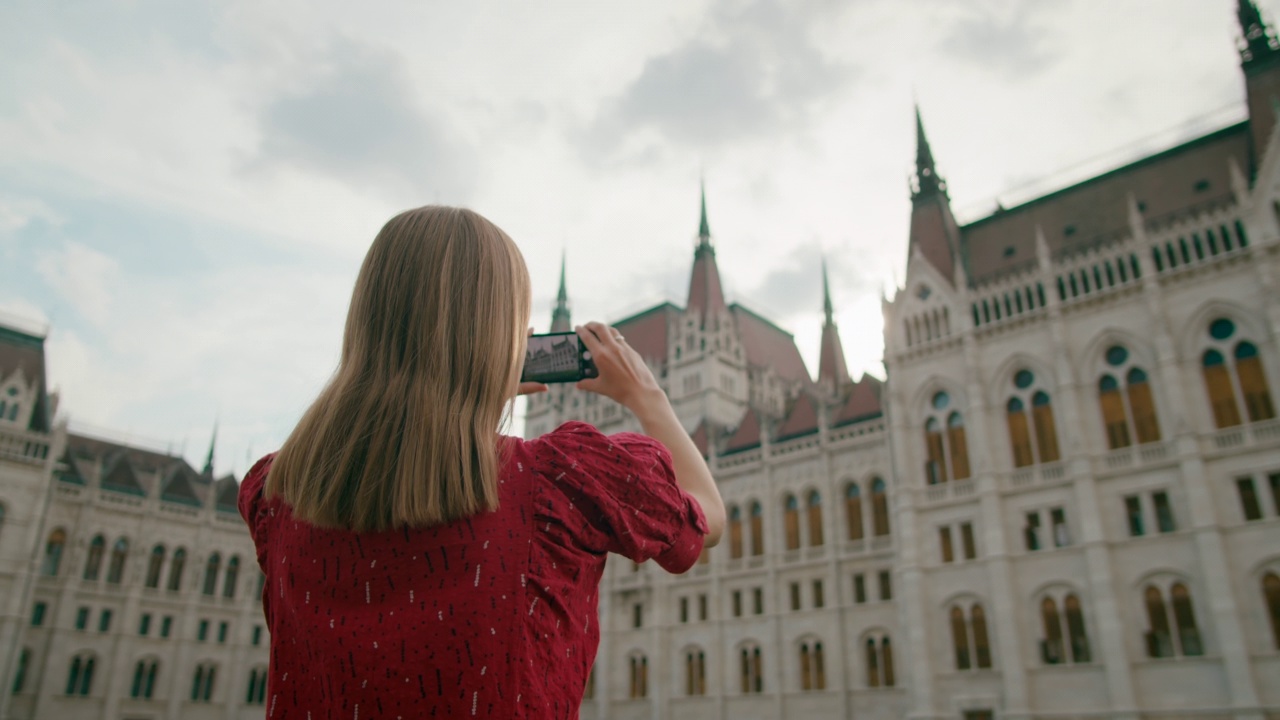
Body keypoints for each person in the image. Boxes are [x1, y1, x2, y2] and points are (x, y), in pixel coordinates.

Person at [239, 205, 726, 719]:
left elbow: (410, 462)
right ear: (502, 338)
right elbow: (705, 519)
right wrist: (649, 398)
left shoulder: (273, 494)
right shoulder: (561, 481)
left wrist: (467, 396)